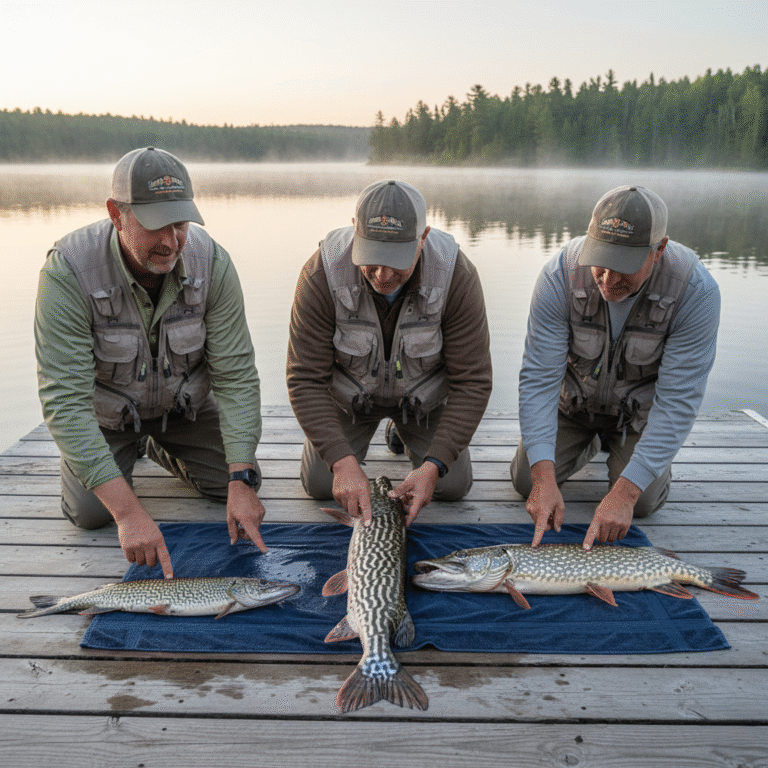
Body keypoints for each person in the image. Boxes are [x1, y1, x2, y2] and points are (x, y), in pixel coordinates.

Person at [35, 147, 267, 579]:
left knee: (235, 485)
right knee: (91, 513)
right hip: (107, 418)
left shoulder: (213, 262)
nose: (171, 240)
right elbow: (64, 403)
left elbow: (235, 375)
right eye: (155, 224)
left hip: (184, 411)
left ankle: (153, 445)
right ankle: (119, 453)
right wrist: (128, 514)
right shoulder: (67, 272)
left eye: (180, 223)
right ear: (115, 213)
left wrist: (241, 476)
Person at [511, 185, 720, 550]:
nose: (608, 280)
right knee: (526, 482)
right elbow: (538, 381)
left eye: (624, 266)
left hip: (639, 417)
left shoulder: (696, 292)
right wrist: (543, 478)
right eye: (601, 261)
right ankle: (590, 443)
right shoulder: (558, 275)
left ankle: (630, 456)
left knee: (641, 503)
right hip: (573, 407)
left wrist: (625, 493)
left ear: (659, 251)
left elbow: (677, 402)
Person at [287, 179, 492, 526]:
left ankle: (402, 432)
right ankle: (367, 440)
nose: (382, 275)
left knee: (452, 486)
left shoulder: (457, 275)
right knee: (321, 484)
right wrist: (342, 463)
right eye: (372, 259)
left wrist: (434, 465)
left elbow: (472, 381)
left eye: (396, 261)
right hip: (351, 399)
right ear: (355, 231)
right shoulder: (321, 273)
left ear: (423, 238)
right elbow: (305, 378)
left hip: (422, 402)